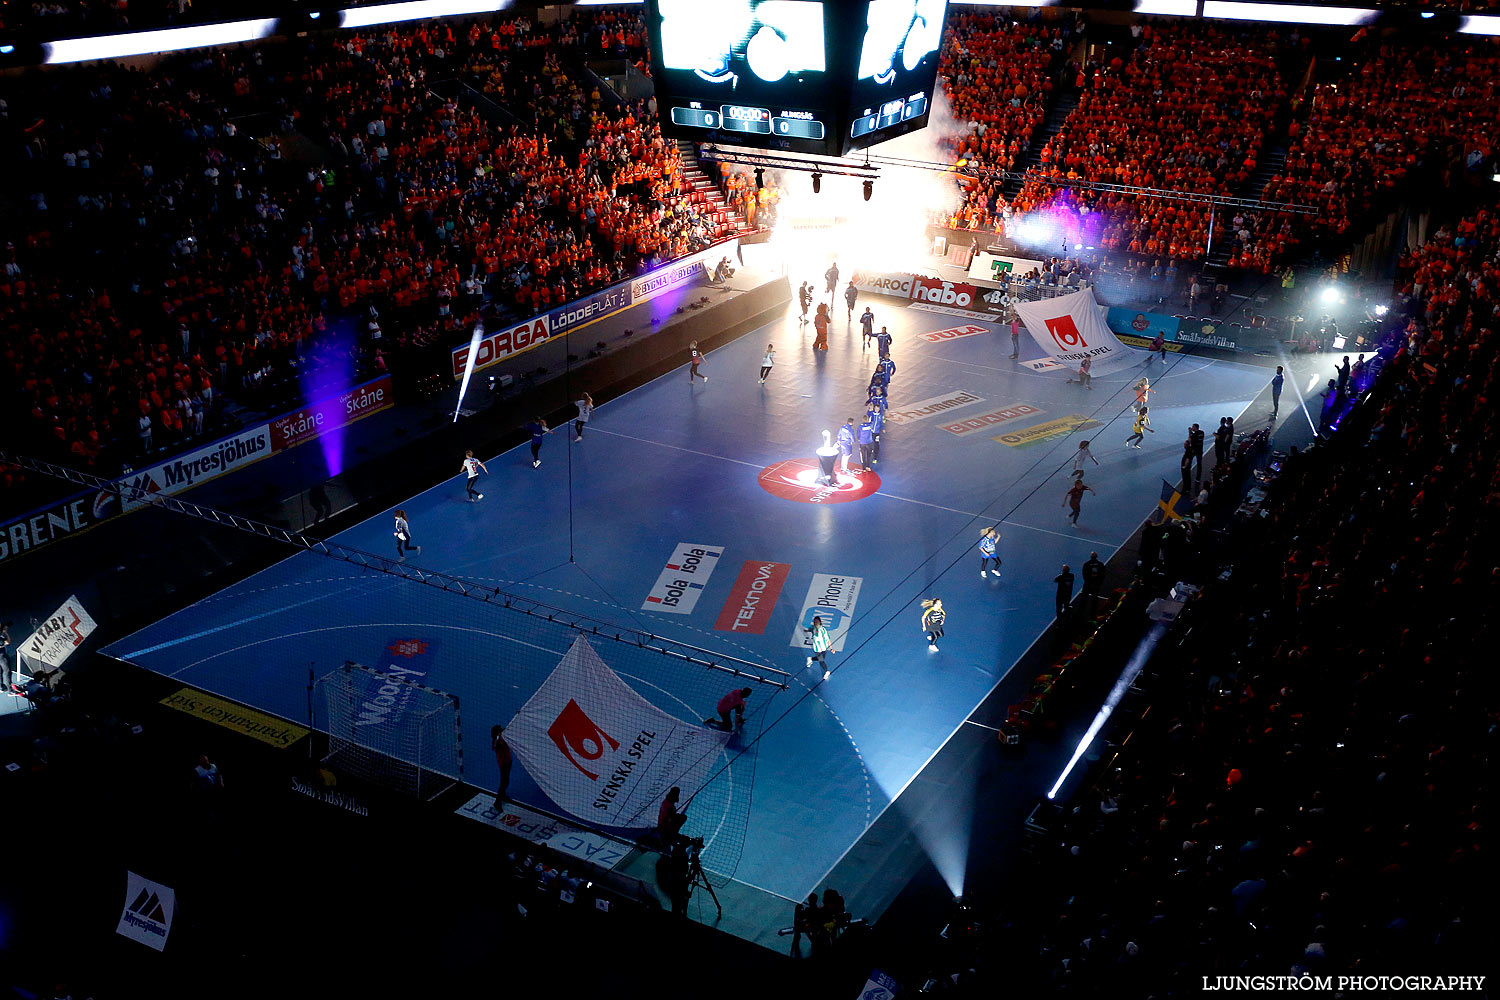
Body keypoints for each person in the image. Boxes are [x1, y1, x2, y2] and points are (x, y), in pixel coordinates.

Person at [806, 615, 833, 680]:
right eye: (815, 622)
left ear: (820, 622)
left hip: (823, 648)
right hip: (817, 649)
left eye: (817, 622)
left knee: (821, 658)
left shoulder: (823, 630)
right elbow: (810, 629)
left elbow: (828, 639)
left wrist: (831, 648)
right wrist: (807, 630)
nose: (816, 623)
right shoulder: (813, 628)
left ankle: (811, 659)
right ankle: (827, 671)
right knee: (821, 660)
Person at [491, 725, 512, 808]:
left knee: (506, 780)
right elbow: (494, 746)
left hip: (509, 761)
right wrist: (498, 737)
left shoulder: (503, 736)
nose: (502, 731)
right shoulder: (496, 741)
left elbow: (510, 727)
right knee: (504, 782)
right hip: (503, 764)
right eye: (500, 731)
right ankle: (497, 802)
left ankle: (503, 796)